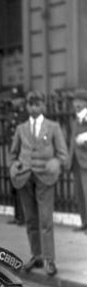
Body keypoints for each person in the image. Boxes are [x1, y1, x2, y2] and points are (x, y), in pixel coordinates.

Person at [8, 90, 68, 276]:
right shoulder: (21, 128)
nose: (34, 107)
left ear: (43, 106)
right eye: (30, 104)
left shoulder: (53, 127)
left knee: (45, 219)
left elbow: (63, 155)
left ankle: (50, 259)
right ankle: (37, 256)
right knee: (31, 220)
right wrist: (13, 166)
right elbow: (12, 154)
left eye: (37, 104)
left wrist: (55, 162)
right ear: (27, 106)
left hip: (45, 177)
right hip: (25, 178)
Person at [68, 87, 87, 233]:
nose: (77, 103)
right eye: (75, 100)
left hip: (86, 161)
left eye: (80, 100)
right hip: (76, 162)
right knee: (80, 194)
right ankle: (84, 222)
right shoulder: (75, 119)